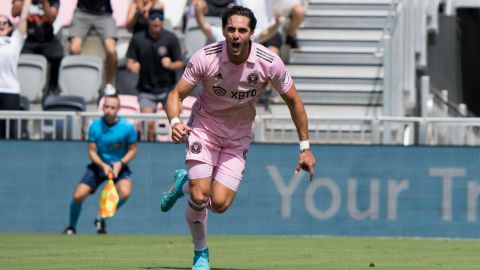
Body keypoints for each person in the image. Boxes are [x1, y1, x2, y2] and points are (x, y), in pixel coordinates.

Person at [160, 5, 315, 270]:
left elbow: (295, 102)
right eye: (231, 29)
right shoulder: (205, 57)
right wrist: (174, 121)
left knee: (219, 203)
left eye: (242, 30)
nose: (235, 35)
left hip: (238, 137)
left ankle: (182, 183)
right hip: (204, 129)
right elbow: (176, 95)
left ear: (252, 34)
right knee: (200, 197)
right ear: (223, 31)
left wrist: (305, 147)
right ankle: (201, 254)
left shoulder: (269, 62)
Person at [63, 94, 138, 235]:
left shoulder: (127, 127)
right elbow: (91, 151)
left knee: (125, 192)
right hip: (98, 167)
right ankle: (71, 227)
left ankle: (101, 217)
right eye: (106, 106)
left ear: (118, 108)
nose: (109, 110)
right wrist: (102, 165)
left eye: (113, 107)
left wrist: (120, 163)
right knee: (78, 196)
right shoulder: (95, 127)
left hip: (119, 168)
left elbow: (133, 149)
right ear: (102, 107)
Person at [126, 2, 184, 141]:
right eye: (153, 16)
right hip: (146, 90)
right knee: (149, 126)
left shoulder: (171, 38)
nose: (156, 20)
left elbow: (180, 63)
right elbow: (130, 61)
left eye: (160, 17)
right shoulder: (138, 38)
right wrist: (132, 66)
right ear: (148, 19)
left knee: (175, 123)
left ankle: (175, 152)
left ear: (163, 20)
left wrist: (170, 65)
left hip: (168, 89)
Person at [11, 0, 64, 95]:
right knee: (18, 57)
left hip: (47, 38)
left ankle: (53, 87)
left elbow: (51, 18)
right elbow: (14, 13)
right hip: (28, 39)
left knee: (58, 55)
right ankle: (22, 86)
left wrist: (45, 2)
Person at [68, 0, 118, 94]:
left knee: (111, 50)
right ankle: (74, 82)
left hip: (104, 14)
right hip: (82, 13)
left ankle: (109, 84)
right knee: (74, 49)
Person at [0, 0, 31, 139]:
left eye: (4, 23)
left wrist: (27, 2)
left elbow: (23, 18)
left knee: (8, 132)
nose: (1, 25)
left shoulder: (14, 41)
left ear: (10, 27)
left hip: (10, 91)